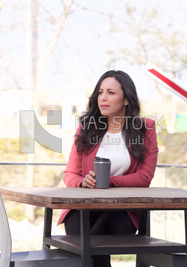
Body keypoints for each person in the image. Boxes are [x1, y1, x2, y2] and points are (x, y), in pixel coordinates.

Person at [58, 70, 159, 267]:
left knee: (89, 246)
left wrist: (108, 182)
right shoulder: (87, 127)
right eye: (100, 92)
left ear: (126, 99)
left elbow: (144, 177)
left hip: (122, 210)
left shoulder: (145, 128)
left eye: (111, 93)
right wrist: (82, 182)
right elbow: (70, 173)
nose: (103, 98)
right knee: (86, 242)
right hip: (84, 206)